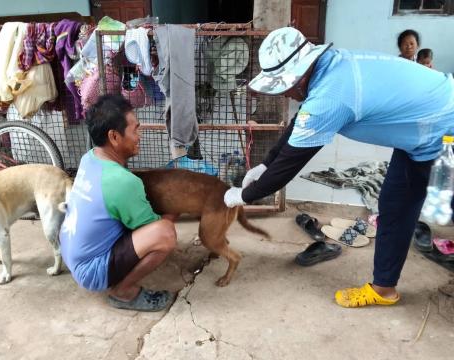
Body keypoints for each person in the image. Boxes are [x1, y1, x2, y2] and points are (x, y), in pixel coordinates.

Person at [223, 27, 454, 308]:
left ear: (301, 74)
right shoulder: (333, 64)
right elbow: (298, 125)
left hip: (446, 133)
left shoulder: (330, 98)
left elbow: (287, 168)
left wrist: (243, 195)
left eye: (285, 87)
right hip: (419, 139)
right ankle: (383, 290)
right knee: (395, 205)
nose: (285, 95)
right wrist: (264, 164)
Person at [60, 94, 177, 311]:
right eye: (135, 129)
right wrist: (174, 212)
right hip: (90, 270)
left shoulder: (90, 157)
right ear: (114, 137)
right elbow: (150, 228)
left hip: (70, 252)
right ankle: (123, 291)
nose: (139, 135)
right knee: (165, 232)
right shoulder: (122, 182)